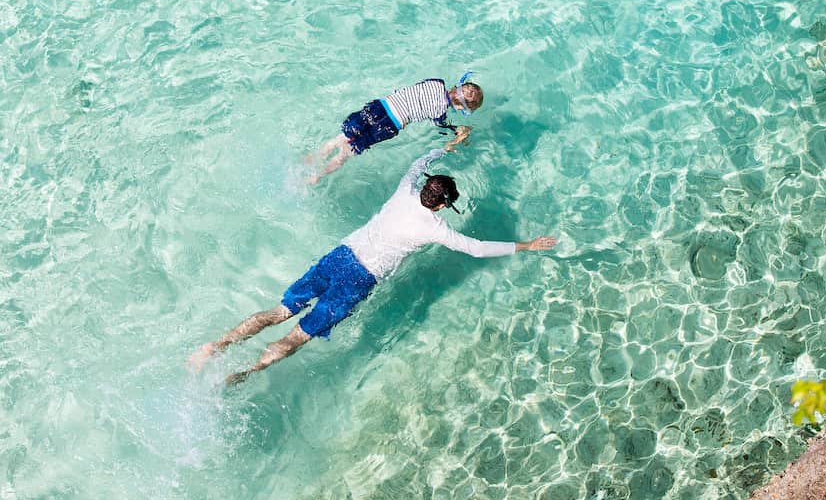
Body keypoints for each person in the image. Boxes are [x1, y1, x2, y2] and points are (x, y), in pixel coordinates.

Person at [189, 144, 556, 385]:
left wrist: (445, 146)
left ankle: (214, 347)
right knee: (298, 336)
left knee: (278, 311)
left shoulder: (404, 191)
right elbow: (476, 249)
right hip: (359, 280)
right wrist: (525, 245)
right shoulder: (435, 228)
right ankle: (245, 373)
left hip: (340, 257)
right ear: (442, 205)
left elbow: (416, 164)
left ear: (426, 189)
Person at [307, 74, 484, 184]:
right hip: (390, 125)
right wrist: (456, 129)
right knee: (350, 150)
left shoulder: (437, 82)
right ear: (461, 108)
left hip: (380, 106)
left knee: (343, 136)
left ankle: (313, 156)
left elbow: (419, 86)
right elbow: (440, 124)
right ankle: (318, 175)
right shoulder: (440, 111)